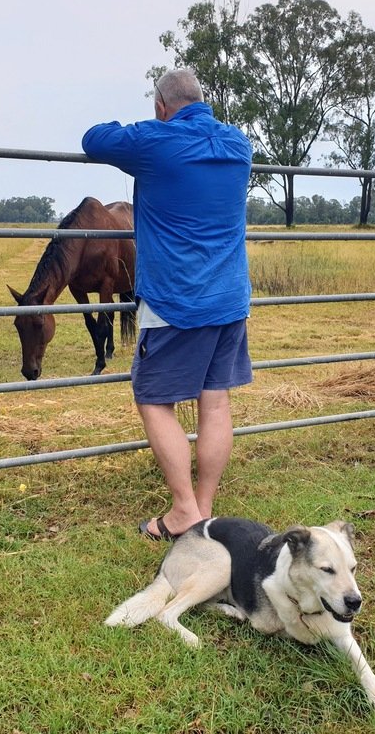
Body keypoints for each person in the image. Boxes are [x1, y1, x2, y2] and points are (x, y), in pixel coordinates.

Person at [82, 68, 253, 541]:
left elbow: (94, 139)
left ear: (160, 106)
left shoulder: (156, 142)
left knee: (153, 399)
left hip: (177, 300)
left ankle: (183, 511)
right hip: (230, 296)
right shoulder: (238, 144)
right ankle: (205, 506)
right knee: (214, 404)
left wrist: (145, 128)